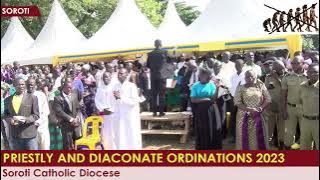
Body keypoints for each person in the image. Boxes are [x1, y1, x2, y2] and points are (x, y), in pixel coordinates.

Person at [234, 70, 271, 150]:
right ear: (244, 77)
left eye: (252, 76)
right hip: (243, 117)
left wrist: (260, 109)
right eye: (247, 76)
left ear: (255, 77)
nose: (250, 78)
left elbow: (268, 99)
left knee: (258, 137)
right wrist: (249, 110)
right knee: (243, 138)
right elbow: (237, 102)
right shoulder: (240, 87)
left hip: (258, 115)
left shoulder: (261, 86)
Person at [3, 78, 40, 150]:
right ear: (14, 86)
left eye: (23, 84)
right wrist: (10, 120)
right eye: (19, 85)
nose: (21, 86)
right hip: (15, 135)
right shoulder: (8, 100)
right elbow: (6, 114)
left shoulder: (32, 97)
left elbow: (36, 115)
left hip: (29, 135)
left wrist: (26, 119)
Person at [190, 68, 222, 150]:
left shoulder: (211, 85)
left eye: (210, 77)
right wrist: (205, 99)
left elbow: (213, 98)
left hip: (212, 110)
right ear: (201, 76)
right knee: (203, 129)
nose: (209, 79)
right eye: (207, 77)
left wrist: (217, 88)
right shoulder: (195, 86)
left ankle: (213, 148)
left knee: (213, 128)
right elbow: (193, 99)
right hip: (201, 111)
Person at [111, 68, 142, 150]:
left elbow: (134, 101)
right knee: (119, 134)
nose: (119, 75)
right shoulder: (115, 86)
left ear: (127, 75)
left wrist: (120, 97)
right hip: (118, 115)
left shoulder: (131, 86)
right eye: (118, 73)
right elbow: (113, 101)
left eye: (122, 73)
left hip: (129, 115)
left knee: (130, 134)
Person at [281, 55, 307, 149]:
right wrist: (283, 110)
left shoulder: (310, 76)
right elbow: (283, 96)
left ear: (303, 64)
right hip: (290, 109)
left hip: (306, 109)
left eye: (297, 63)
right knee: (289, 133)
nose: (294, 65)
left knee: (306, 133)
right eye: (292, 63)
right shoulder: (287, 77)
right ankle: (289, 154)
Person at [52, 79, 82, 150]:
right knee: (68, 145)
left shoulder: (75, 94)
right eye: (68, 88)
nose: (70, 89)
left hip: (76, 125)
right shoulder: (58, 98)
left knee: (77, 144)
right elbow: (59, 111)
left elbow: (78, 107)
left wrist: (77, 117)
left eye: (71, 87)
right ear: (64, 87)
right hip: (66, 126)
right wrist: (71, 119)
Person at [264, 60, 287, 150]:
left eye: (283, 68)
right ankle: (266, 145)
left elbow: (284, 89)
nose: (283, 70)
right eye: (280, 69)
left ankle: (281, 145)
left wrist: (277, 78)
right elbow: (265, 91)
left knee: (282, 129)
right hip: (271, 107)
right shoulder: (268, 77)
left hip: (282, 107)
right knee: (269, 128)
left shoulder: (286, 76)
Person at [27, 78, 51, 150]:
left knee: (45, 148)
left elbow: (46, 111)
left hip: (42, 127)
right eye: (28, 85)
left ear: (35, 85)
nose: (30, 86)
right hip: (30, 128)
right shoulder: (23, 96)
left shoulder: (41, 95)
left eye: (32, 85)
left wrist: (38, 122)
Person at [146, 39, 169, 116]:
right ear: (161, 44)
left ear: (154, 45)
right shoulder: (165, 52)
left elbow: (148, 65)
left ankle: (154, 112)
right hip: (162, 76)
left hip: (153, 76)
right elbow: (169, 63)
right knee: (162, 95)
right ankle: (161, 112)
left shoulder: (150, 54)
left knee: (154, 95)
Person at [299, 64, 319, 150]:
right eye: (310, 72)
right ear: (307, 73)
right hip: (305, 121)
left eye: (315, 72)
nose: (313, 74)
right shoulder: (302, 86)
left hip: (317, 121)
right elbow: (300, 101)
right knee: (305, 146)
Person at [94, 72, 116, 149]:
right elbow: (97, 100)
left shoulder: (114, 87)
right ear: (102, 79)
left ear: (111, 77)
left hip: (113, 113)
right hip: (104, 113)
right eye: (104, 77)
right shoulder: (100, 88)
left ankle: (114, 148)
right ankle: (106, 147)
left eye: (108, 77)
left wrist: (112, 109)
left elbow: (117, 100)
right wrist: (103, 109)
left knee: (113, 131)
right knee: (105, 132)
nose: (106, 78)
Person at [229, 59, 246, 143]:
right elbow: (231, 88)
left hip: (243, 101)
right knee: (234, 119)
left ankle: (243, 137)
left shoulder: (246, 75)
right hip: (234, 100)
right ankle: (235, 137)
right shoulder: (233, 76)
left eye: (239, 65)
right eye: (236, 65)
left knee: (243, 120)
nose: (237, 67)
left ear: (243, 65)